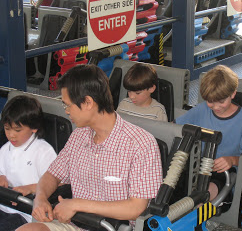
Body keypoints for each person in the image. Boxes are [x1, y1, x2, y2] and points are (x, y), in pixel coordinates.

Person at [18, 64, 163, 231]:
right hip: (74, 224)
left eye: (68, 105)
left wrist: (78, 204)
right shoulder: (78, 136)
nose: (66, 111)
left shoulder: (141, 144)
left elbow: (136, 208)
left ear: (87, 103)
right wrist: (41, 198)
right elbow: (52, 174)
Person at [175, 65, 242, 200]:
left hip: (224, 173)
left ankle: (196, 214)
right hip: (196, 166)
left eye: (221, 102)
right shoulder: (201, 109)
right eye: (210, 102)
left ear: (233, 94)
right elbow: (173, 128)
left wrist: (232, 160)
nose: (216, 107)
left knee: (201, 195)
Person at [0, 95, 57, 231]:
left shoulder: (43, 151)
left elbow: (57, 181)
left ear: (34, 128)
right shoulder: (5, 148)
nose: (11, 135)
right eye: (7, 129)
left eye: (17, 130)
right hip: (3, 207)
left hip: (24, 215)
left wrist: (30, 188)